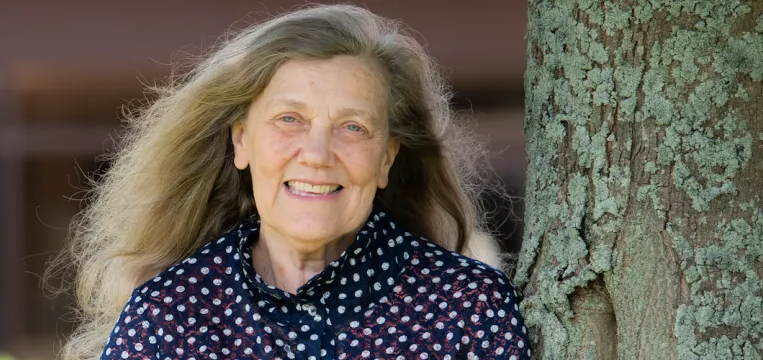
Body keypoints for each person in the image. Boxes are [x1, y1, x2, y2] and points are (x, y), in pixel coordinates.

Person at [55, 4, 530, 359]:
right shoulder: (170, 314)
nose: (318, 155)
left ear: (387, 159)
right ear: (241, 142)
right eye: (289, 119)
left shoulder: (466, 306)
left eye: (352, 127)